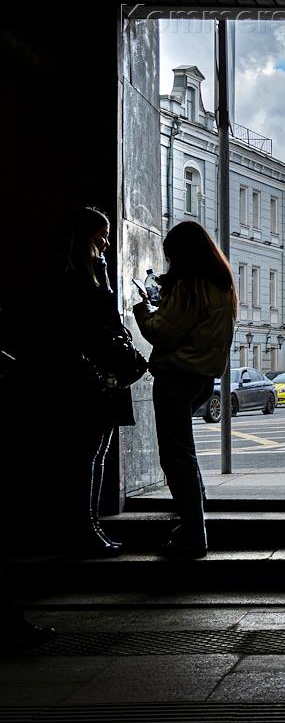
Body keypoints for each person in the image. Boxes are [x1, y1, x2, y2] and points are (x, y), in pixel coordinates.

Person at [133, 222, 236, 559]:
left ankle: (194, 533)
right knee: (184, 453)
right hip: (203, 377)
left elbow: (163, 331)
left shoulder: (191, 286)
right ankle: (194, 523)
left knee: (176, 456)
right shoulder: (222, 283)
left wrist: (143, 309)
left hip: (177, 374)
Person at [62, 207, 135, 556]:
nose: (107, 243)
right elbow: (107, 316)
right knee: (91, 454)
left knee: (94, 453)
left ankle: (89, 526)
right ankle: (86, 527)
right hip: (94, 375)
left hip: (91, 374)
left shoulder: (73, 272)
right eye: (103, 236)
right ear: (89, 236)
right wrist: (104, 278)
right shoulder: (84, 274)